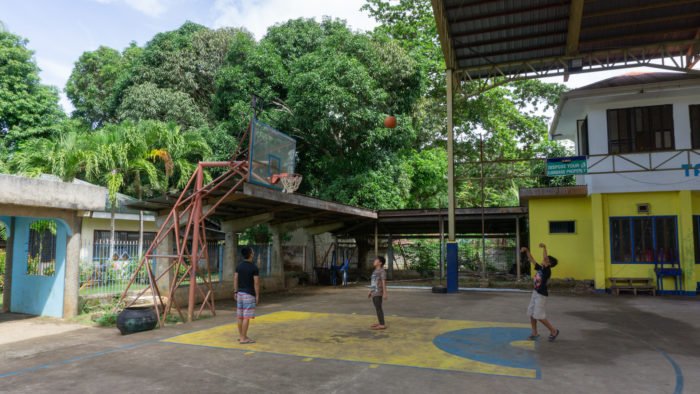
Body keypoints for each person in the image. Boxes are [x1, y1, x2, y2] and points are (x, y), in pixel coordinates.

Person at [521, 243, 560, 342]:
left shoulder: (547, 270)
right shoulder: (540, 268)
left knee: (538, 315)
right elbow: (532, 260)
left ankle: (554, 331)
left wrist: (544, 248)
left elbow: (545, 257)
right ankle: (535, 333)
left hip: (541, 295)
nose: (544, 259)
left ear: (549, 263)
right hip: (535, 293)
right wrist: (527, 251)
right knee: (531, 313)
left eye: (547, 259)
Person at [234, 247, 260, 344]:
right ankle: (243, 339)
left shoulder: (239, 266)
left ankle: (242, 336)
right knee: (246, 317)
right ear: (251, 254)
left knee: (240, 317)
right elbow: (256, 283)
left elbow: (235, 279)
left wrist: (235, 291)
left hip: (240, 294)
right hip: (249, 295)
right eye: (252, 252)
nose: (253, 253)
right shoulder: (254, 267)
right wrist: (257, 295)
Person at [368, 256, 388, 330]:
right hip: (374, 292)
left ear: (380, 263)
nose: (374, 261)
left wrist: (385, 293)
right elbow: (374, 282)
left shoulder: (382, 271)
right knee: (377, 308)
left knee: (378, 308)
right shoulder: (375, 271)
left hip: (378, 292)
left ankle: (382, 324)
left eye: (376, 260)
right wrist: (370, 291)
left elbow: (383, 282)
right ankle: (380, 322)